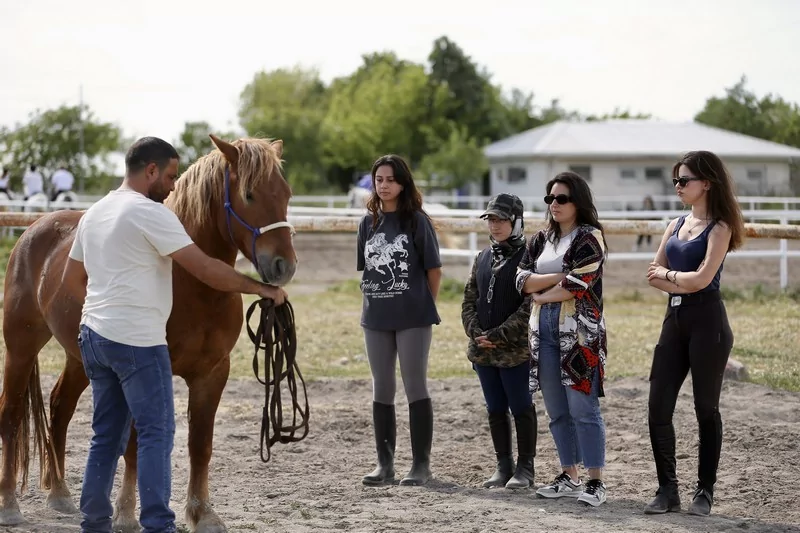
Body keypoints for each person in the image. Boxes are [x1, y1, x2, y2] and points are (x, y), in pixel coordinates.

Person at [63, 136, 287, 533]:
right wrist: (263, 289)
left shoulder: (95, 212)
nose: (174, 185)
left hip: (96, 338)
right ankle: (158, 524)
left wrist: (103, 316)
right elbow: (205, 269)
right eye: (169, 176)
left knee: (104, 436)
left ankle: (95, 523)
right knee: (156, 434)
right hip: (138, 342)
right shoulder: (154, 214)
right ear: (150, 170)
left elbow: (72, 279)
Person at [644, 150, 744, 517]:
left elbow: (702, 279)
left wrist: (671, 278)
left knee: (706, 408)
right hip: (675, 321)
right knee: (657, 406)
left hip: (709, 323)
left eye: (684, 180)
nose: (678, 186)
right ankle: (667, 490)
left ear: (707, 183)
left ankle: (705, 490)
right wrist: (677, 281)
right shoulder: (674, 224)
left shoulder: (720, 227)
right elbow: (651, 272)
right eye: (676, 180)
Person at [516, 171, 609, 507]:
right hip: (544, 334)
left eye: (562, 198)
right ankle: (569, 474)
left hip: (580, 336)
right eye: (550, 199)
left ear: (578, 202)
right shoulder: (541, 239)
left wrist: (541, 293)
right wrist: (553, 282)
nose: (554, 204)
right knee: (556, 409)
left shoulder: (590, 237)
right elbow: (521, 280)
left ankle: (595, 480)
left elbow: (579, 282)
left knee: (584, 407)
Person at [357, 154, 442, 487]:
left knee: (414, 383)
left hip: (413, 316)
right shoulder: (368, 224)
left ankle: (421, 465)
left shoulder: (417, 221)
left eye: (390, 179)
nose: (384, 185)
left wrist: (423, 306)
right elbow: (367, 272)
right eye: (379, 179)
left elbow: (434, 271)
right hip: (376, 316)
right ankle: (385, 464)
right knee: (382, 386)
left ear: (403, 183)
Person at [461, 193, 537, 489]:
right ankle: (503, 464)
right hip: (483, 352)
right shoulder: (481, 257)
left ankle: (525, 467)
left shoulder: (530, 258)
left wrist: (497, 335)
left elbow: (529, 305)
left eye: (502, 219)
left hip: (514, 352)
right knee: (494, 408)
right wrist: (475, 331)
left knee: (520, 405)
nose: (495, 225)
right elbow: (469, 298)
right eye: (491, 219)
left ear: (516, 222)